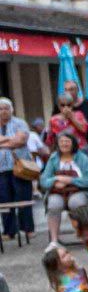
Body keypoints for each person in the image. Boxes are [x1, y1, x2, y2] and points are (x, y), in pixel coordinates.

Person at [39, 130, 88, 245]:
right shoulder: (54, 158)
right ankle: (54, 240)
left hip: (78, 190)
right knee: (53, 204)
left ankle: (84, 235)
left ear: (73, 143)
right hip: (58, 192)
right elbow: (44, 180)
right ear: (58, 144)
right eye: (62, 141)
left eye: (67, 141)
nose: (64, 144)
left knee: (76, 203)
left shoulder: (82, 158)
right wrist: (56, 179)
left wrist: (70, 180)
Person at [0, 97, 33, 244]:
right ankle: (9, 231)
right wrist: (11, 140)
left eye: (6, 108)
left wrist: (2, 141)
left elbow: (21, 141)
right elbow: (15, 140)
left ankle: (28, 229)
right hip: (1, 169)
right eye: (0, 108)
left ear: (11, 109)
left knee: (23, 197)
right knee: (4, 200)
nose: (3, 111)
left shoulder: (20, 122)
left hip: (20, 167)